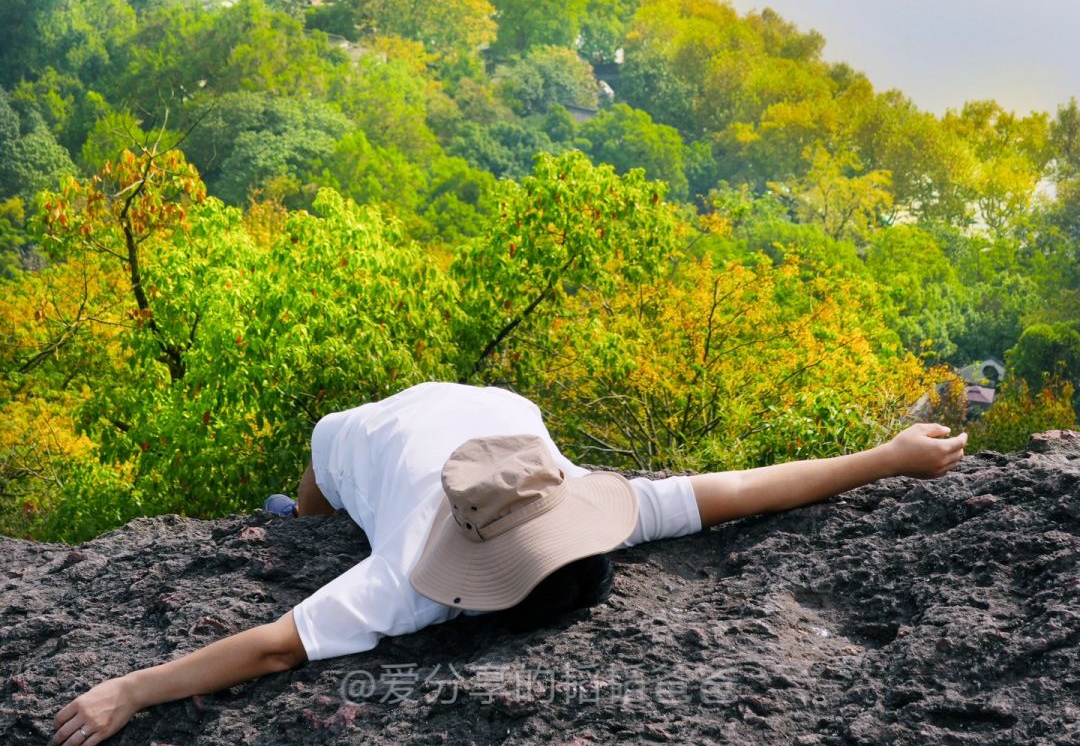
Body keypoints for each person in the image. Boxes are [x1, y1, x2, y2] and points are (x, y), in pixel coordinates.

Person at [50, 381, 968, 746]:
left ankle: (292, 518)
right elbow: (270, 648)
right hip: (364, 438)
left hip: (497, 416)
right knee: (313, 495)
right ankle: (294, 517)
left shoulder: (584, 495)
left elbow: (741, 489)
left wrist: (889, 456)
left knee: (311, 503)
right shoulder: (408, 576)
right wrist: (129, 691)